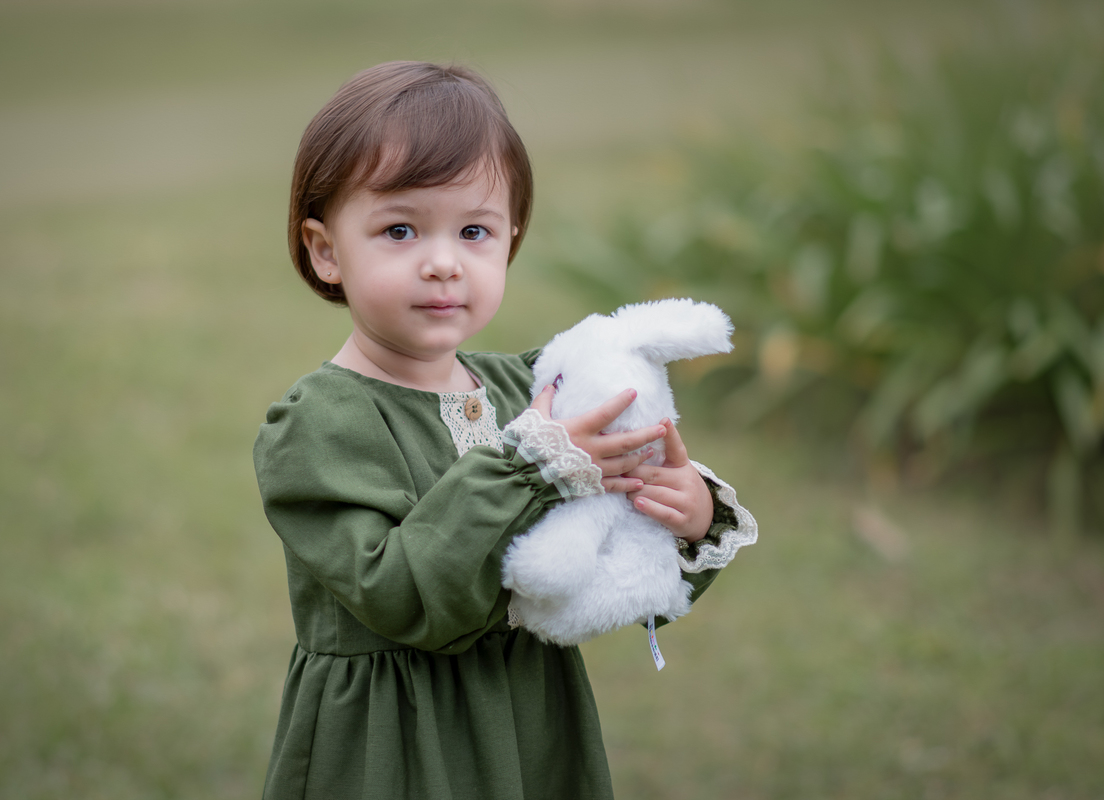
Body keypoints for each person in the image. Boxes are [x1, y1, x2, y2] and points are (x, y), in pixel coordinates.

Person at [253, 61, 757, 800]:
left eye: (474, 231)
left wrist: (686, 512)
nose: (443, 263)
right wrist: (532, 468)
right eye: (399, 229)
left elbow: (609, 546)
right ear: (327, 250)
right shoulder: (319, 426)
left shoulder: (532, 389)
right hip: (399, 740)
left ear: (509, 239)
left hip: (533, 719)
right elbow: (401, 596)